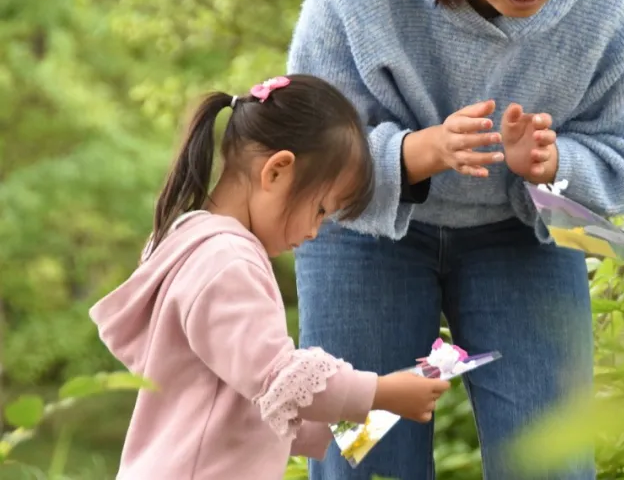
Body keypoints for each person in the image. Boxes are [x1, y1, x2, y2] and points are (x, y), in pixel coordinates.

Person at [287, 0, 624, 479]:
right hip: (364, 232)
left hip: (521, 236)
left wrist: (552, 165)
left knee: (551, 461)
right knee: (364, 457)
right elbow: (309, 138)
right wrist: (419, 152)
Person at [89, 74, 451, 480]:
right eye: (320, 209)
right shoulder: (228, 262)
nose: (314, 232)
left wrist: (364, 406)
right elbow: (280, 379)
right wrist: (381, 393)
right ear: (277, 170)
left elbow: (254, 397)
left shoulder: (194, 242)